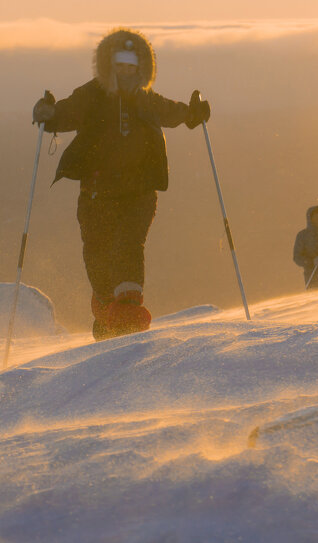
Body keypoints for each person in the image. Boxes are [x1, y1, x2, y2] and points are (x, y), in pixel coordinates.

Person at [31, 28, 210, 340]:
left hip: (138, 193)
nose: (126, 72)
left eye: (132, 67)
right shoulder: (92, 95)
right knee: (97, 253)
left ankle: (126, 316)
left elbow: (171, 111)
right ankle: (108, 312)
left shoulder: (146, 100)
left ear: (141, 69)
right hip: (96, 194)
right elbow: (66, 113)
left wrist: (192, 114)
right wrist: (49, 115)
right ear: (109, 66)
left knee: (127, 245)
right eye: (120, 66)